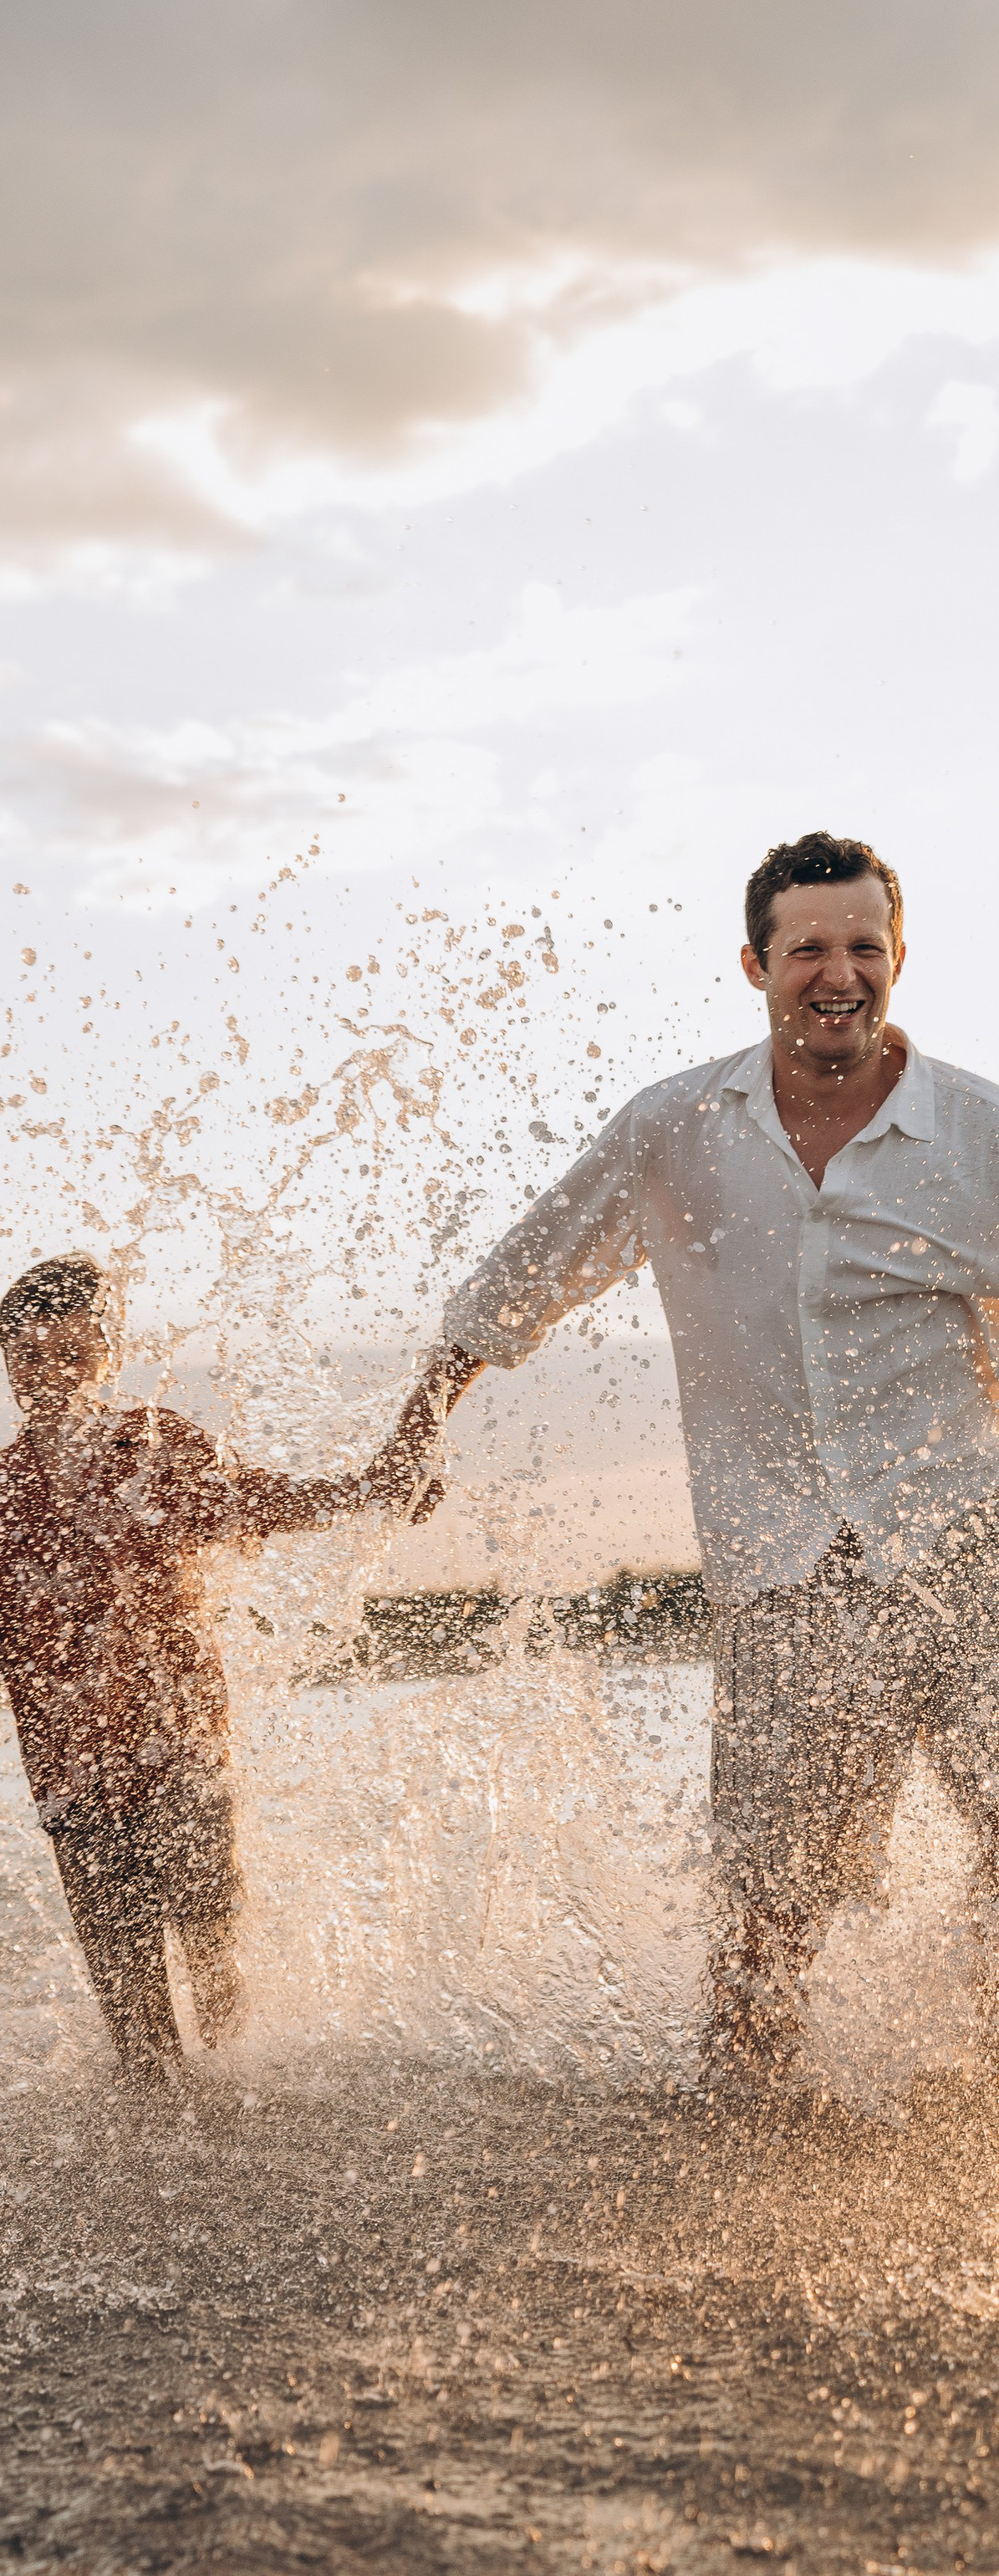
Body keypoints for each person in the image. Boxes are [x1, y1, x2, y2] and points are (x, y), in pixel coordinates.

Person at [402, 829, 999, 2091]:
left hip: (965, 1552)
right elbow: (519, 1279)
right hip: (780, 1575)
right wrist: (416, 1427)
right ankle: (741, 2142)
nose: (838, 974)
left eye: (863, 947)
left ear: (899, 959)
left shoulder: (979, 1134)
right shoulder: (677, 1129)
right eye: (808, 951)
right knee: (763, 1919)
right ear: (755, 964)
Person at [0, 1251, 442, 2084]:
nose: (52, 1373)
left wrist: (369, 1491)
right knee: (136, 2026)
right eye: (31, 1354)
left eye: (75, 1352)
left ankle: (243, 2151)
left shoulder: (157, 1448)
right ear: (7, 1363)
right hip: (71, 1785)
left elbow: (256, 1499)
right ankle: (157, 2139)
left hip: (183, 1755)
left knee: (219, 1981)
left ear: (109, 1354)